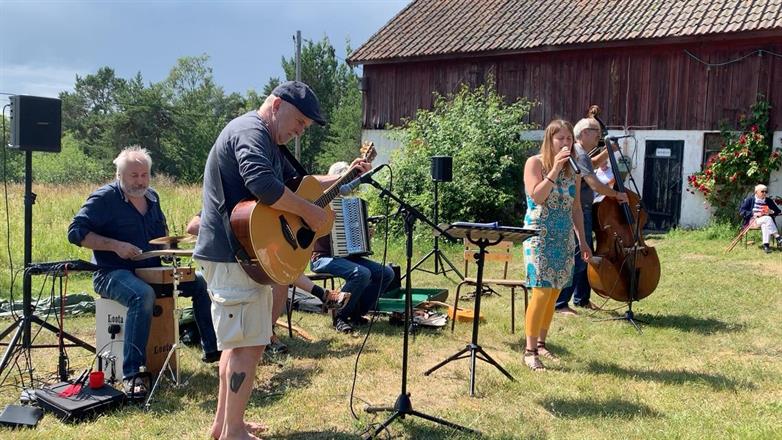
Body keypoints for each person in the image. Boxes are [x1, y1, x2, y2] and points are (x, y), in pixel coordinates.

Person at [193, 81, 369, 440]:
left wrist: (342, 178)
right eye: (300, 120)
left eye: (306, 125)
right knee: (248, 346)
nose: (301, 129)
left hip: (244, 257)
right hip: (233, 255)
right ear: (276, 104)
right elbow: (264, 185)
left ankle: (225, 425)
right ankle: (233, 434)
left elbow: (294, 183)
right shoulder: (250, 131)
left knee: (239, 344)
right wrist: (311, 214)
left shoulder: (269, 142)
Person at [67, 146, 218, 399]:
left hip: (151, 270)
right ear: (119, 175)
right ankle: (133, 373)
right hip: (111, 273)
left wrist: (173, 249)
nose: (140, 181)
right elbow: (75, 233)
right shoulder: (104, 198)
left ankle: (212, 349)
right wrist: (115, 245)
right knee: (142, 295)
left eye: (144, 175)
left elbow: (161, 239)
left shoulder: (153, 198)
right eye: (134, 175)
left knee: (200, 282)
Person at [186, 213, 350, 355]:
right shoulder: (222, 202)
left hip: (258, 260)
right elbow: (192, 227)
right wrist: (237, 230)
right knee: (281, 271)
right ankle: (322, 294)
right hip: (231, 262)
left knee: (281, 276)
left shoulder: (261, 208)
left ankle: (268, 331)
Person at [521, 120, 592, 371]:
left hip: (564, 237)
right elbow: (537, 196)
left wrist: (583, 240)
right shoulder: (536, 163)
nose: (565, 143)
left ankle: (542, 344)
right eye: (560, 138)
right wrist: (554, 170)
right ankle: (529, 351)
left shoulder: (574, 172)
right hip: (539, 235)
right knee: (541, 290)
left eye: (569, 139)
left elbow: (576, 209)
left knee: (553, 294)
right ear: (550, 140)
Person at [554, 118, 628, 316]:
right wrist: (617, 194)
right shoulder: (579, 152)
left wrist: (608, 151)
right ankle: (561, 303)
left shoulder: (581, 153)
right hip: (579, 209)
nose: (599, 136)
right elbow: (594, 183)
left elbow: (593, 163)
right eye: (596, 131)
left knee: (587, 253)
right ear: (584, 133)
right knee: (580, 253)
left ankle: (582, 299)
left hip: (584, 208)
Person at [310, 161, 395, 334]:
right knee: (361, 273)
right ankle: (339, 316)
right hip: (322, 257)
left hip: (347, 257)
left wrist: (364, 234)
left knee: (387, 273)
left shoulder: (350, 205)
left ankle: (356, 312)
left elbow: (353, 240)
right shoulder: (319, 202)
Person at [739, 184, 781, 253]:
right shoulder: (750, 200)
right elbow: (742, 211)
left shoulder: (768, 200)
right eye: (762, 191)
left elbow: (778, 211)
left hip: (765, 221)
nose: (764, 193)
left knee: (765, 224)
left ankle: (766, 246)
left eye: (766, 191)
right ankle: (778, 237)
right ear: (756, 192)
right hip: (753, 221)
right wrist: (754, 213)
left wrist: (771, 211)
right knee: (767, 218)